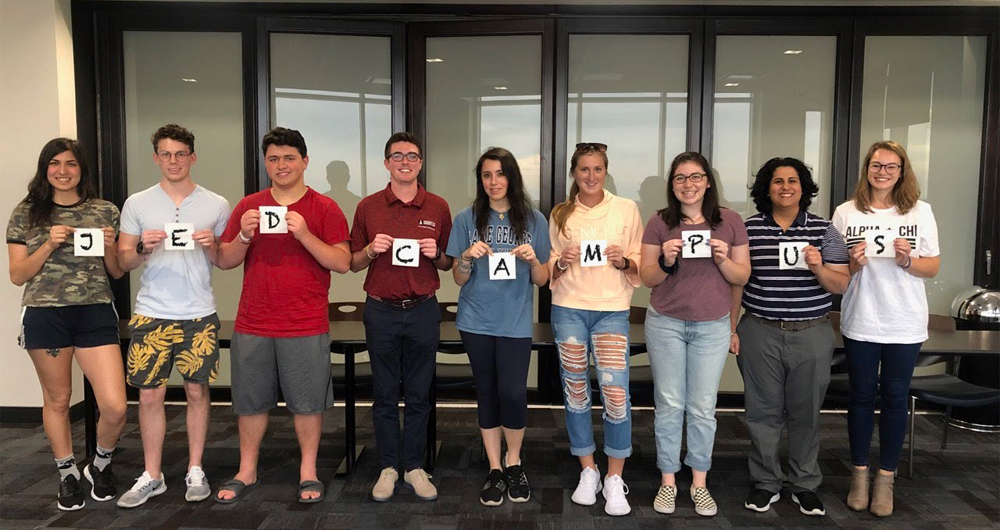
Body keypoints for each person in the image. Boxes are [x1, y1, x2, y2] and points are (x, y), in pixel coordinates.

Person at [215, 127, 351, 504]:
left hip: (304, 322)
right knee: (250, 400)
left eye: (289, 158)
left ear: (305, 162)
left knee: (308, 402)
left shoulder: (324, 208)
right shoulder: (249, 205)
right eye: (273, 158)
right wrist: (242, 236)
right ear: (265, 163)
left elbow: (341, 263)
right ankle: (247, 469)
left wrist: (305, 234)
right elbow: (224, 261)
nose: (281, 165)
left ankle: (308, 471)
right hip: (254, 321)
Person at [6, 138, 127, 511]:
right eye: (55, 163)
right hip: (46, 313)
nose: (63, 170)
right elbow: (17, 275)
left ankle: (100, 464)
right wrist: (47, 244)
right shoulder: (27, 213)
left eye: (71, 163)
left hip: (94, 312)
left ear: (81, 169)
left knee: (116, 405)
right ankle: (67, 473)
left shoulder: (104, 210)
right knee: (58, 400)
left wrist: (110, 245)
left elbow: (117, 271)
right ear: (45, 169)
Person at [115, 124, 230, 508]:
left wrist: (213, 245)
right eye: (166, 153)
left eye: (181, 153)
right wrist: (143, 248)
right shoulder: (137, 203)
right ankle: (152, 474)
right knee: (149, 395)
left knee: (197, 391)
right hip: (151, 313)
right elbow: (122, 261)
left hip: (199, 312)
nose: (173, 161)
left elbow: (225, 261)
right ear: (156, 158)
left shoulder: (216, 203)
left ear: (192, 157)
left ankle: (195, 468)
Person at [729, 157, 849, 516]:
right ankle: (766, 482)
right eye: (777, 181)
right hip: (760, 331)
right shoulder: (748, 229)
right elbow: (736, 283)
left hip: (811, 331)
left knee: (806, 412)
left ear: (803, 187)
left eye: (792, 181)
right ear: (766, 188)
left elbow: (841, 283)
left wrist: (818, 265)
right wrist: (731, 328)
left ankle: (804, 483)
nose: (785, 187)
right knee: (761, 412)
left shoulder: (825, 230)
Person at [832, 140, 940, 517]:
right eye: (877, 165)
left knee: (895, 399)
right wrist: (853, 263)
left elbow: (933, 266)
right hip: (861, 317)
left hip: (904, 320)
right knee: (861, 397)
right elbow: (835, 270)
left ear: (902, 171)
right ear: (867, 169)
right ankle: (859, 473)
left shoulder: (920, 212)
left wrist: (908, 260)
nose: (883, 172)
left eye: (891, 167)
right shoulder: (845, 212)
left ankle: (886, 477)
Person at [639, 151, 750, 517]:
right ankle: (669, 480)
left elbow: (742, 277)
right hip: (666, 322)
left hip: (712, 325)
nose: (688, 184)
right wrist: (666, 261)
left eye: (695, 177)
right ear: (672, 185)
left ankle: (699, 482)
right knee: (669, 405)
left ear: (708, 181)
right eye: (680, 178)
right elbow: (647, 278)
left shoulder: (730, 221)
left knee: (703, 408)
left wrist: (722, 259)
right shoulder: (659, 222)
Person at [350, 132, 453, 503]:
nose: (405, 162)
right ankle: (388, 467)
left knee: (420, 393)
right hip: (380, 310)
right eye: (397, 156)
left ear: (421, 163)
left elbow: (449, 263)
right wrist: (369, 250)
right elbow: (351, 262)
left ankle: (414, 466)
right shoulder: (368, 207)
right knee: (384, 394)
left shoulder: (438, 206)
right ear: (386, 163)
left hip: (423, 308)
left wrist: (436, 253)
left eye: (412, 156)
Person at [445, 147, 550, 506]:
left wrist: (534, 258)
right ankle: (494, 467)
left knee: (513, 392)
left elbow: (542, 278)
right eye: (487, 175)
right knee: (487, 392)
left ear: (512, 178)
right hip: (476, 320)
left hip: (515, 321)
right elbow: (459, 279)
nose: (494, 182)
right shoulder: (467, 218)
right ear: (481, 180)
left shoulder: (534, 220)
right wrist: (465, 258)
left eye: (500, 174)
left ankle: (514, 460)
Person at [548, 142, 642, 517]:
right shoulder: (560, 213)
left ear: (606, 171)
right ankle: (588, 469)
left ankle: (615, 476)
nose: (590, 176)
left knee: (616, 393)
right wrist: (561, 261)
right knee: (575, 390)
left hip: (612, 310)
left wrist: (624, 261)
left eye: (597, 169)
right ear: (574, 173)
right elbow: (548, 267)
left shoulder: (626, 209)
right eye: (583, 170)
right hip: (569, 308)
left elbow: (639, 260)